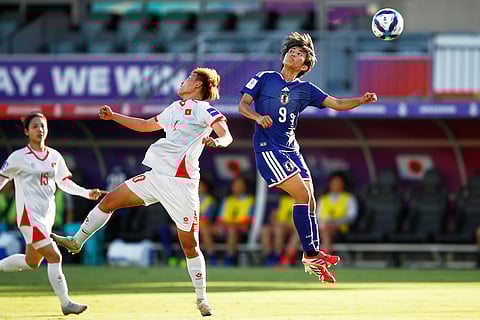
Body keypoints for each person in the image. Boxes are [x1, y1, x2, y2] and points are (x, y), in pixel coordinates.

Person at [51, 67, 233, 317]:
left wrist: (218, 141)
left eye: (189, 78)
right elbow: (147, 125)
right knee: (109, 201)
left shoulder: (203, 109)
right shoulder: (174, 107)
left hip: (181, 184)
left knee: (190, 245)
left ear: (199, 86)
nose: (183, 81)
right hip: (156, 176)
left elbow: (226, 134)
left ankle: (201, 299)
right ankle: (76, 241)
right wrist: (115, 116)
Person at [238, 32, 377, 283]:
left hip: (292, 149)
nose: (294, 53)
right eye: (291, 51)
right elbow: (243, 105)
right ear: (284, 56)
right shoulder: (264, 78)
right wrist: (257, 117)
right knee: (302, 195)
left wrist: (362, 100)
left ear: (305, 66)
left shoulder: (305, 89)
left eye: (300, 53)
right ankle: (311, 254)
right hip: (268, 148)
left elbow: (337, 103)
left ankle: (312, 256)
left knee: (310, 200)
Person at [0, 112, 105, 315]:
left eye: (43, 126)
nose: (40, 130)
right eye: (35, 126)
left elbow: (64, 183)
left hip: (46, 218)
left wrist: (86, 193)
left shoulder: (55, 156)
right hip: (28, 217)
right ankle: (66, 303)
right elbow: (2, 179)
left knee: (32, 263)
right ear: (26, 131)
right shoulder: (18, 157)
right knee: (54, 256)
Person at [216, 176, 254, 266]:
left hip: (242, 229)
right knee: (205, 229)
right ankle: (211, 256)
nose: (237, 187)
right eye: (235, 185)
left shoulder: (250, 200)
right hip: (225, 227)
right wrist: (228, 224)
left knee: (232, 230)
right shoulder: (227, 200)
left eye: (239, 185)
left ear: (244, 187)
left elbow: (249, 220)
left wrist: (233, 224)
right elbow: (219, 219)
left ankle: (230, 257)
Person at [317, 173, 358, 253]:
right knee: (323, 228)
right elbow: (318, 217)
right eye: (333, 183)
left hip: (341, 228)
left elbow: (351, 217)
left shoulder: (349, 198)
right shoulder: (323, 199)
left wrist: (335, 221)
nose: (335, 185)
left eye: (338, 183)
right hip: (323, 227)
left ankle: (325, 255)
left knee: (326, 229)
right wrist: (326, 222)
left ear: (343, 184)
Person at [262, 194, 298, 266]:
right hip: (279, 225)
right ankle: (270, 257)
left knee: (280, 231)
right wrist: (277, 223)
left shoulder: (303, 201)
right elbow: (273, 216)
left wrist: (288, 225)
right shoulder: (281, 200)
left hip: (294, 227)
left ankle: (282, 258)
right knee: (265, 230)